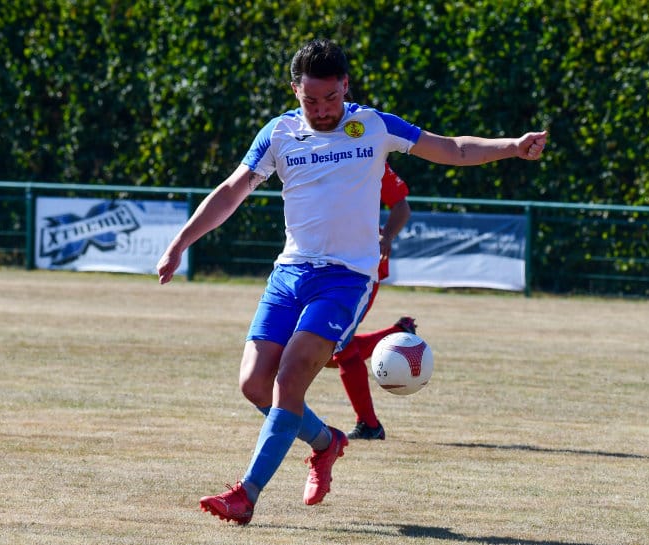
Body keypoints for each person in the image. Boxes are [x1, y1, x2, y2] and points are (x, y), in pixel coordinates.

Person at [155, 38, 547, 525]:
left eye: (330, 98)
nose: (322, 110)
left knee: (289, 378)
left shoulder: (374, 126)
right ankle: (327, 442)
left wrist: (512, 147)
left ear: (346, 85)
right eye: (310, 100)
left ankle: (246, 494)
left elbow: (452, 148)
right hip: (290, 273)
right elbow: (232, 190)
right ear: (295, 91)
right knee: (255, 385)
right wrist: (181, 242)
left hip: (345, 278)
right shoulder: (278, 133)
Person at [326, 162, 415, 441]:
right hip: (318, 264)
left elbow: (401, 206)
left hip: (361, 267)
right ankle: (398, 333)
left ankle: (369, 424)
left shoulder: (369, 156)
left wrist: (386, 236)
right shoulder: (306, 151)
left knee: (336, 348)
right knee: (322, 349)